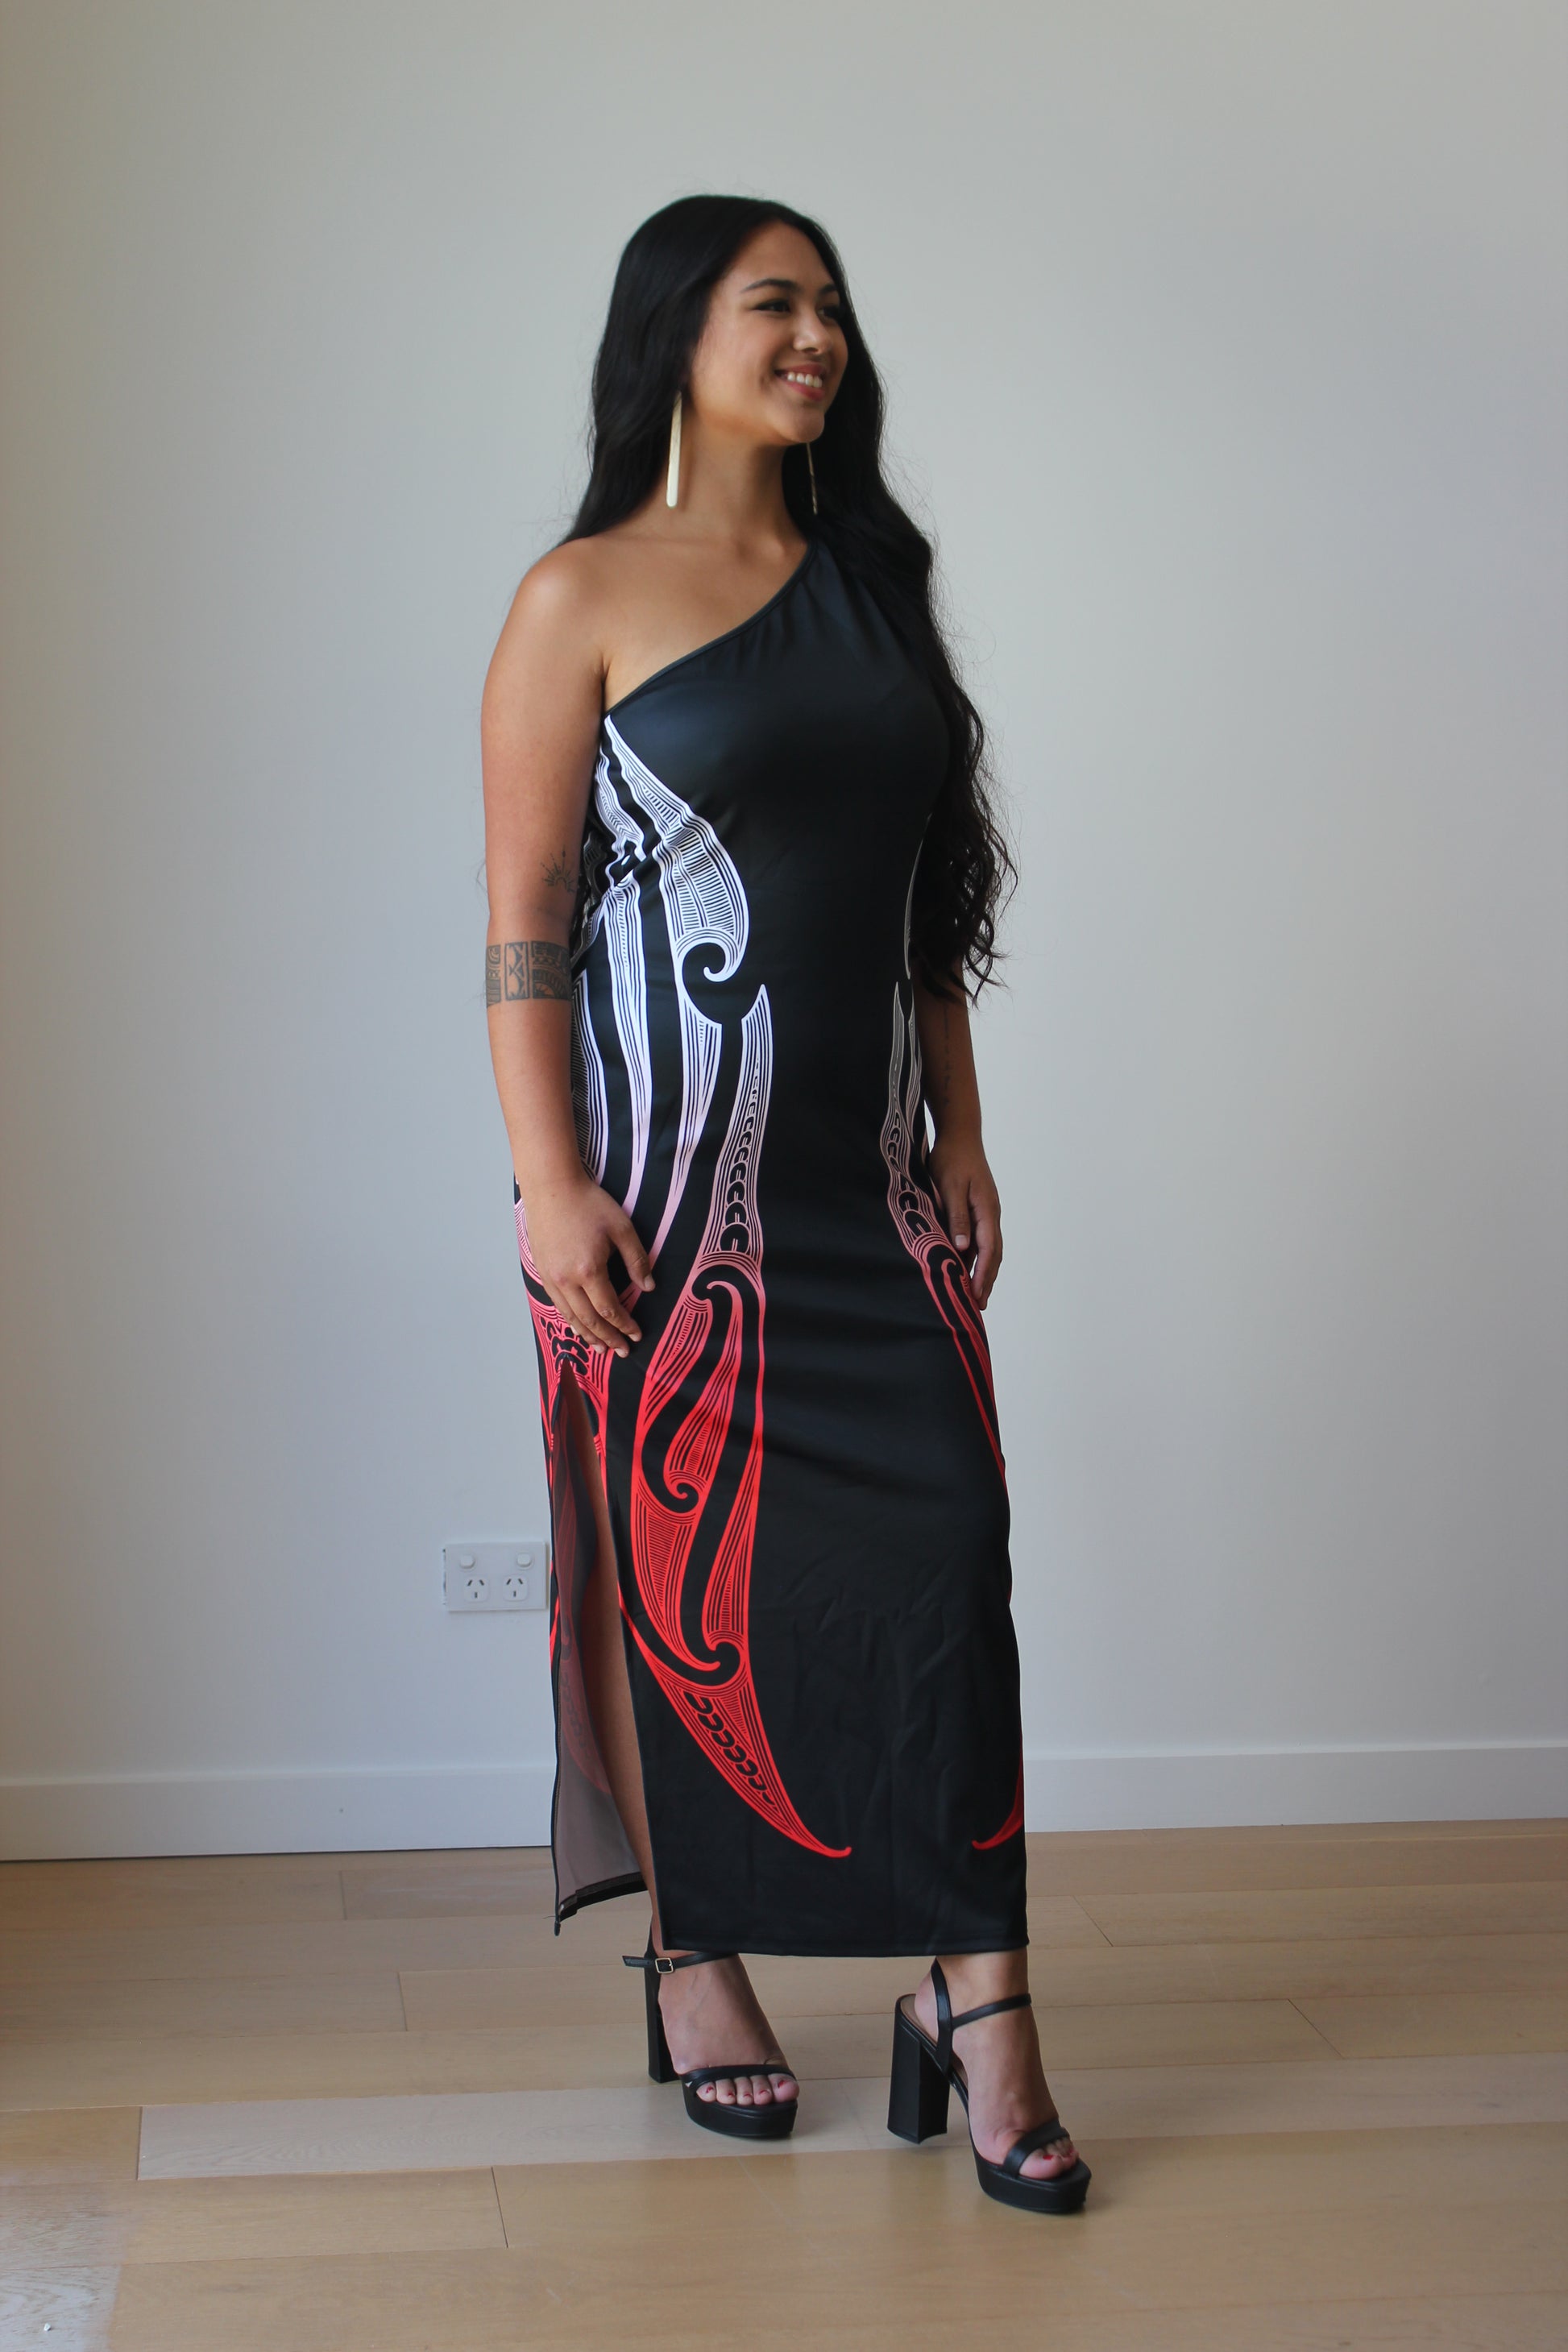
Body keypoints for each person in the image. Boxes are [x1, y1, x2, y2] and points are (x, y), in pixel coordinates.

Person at [480, 195, 1089, 2214]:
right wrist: (548, 1179)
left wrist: (963, 1132)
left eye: (830, 305)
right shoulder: (577, 595)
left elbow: (930, 902)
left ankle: (975, 1999)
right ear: (677, 332)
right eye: (774, 303)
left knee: (950, 1555)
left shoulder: (872, 583)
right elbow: (523, 924)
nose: (815, 333)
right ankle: (693, 1956)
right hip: (658, 1197)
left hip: (868, 1183)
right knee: (674, 1582)